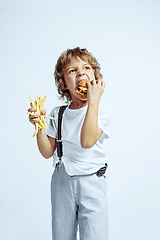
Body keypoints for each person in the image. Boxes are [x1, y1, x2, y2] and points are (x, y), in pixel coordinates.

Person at [28, 47, 111, 240]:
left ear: (95, 77)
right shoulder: (58, 113)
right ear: (64, 84)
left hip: (92, 180)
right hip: (62, 180)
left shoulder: (102, 112)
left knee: (95, 234)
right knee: (62, 235)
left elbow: (87, 140)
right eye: (72, 71)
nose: (81, 72)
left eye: (86, 68)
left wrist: (93, 102)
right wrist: (39, 124)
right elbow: (47, 151)